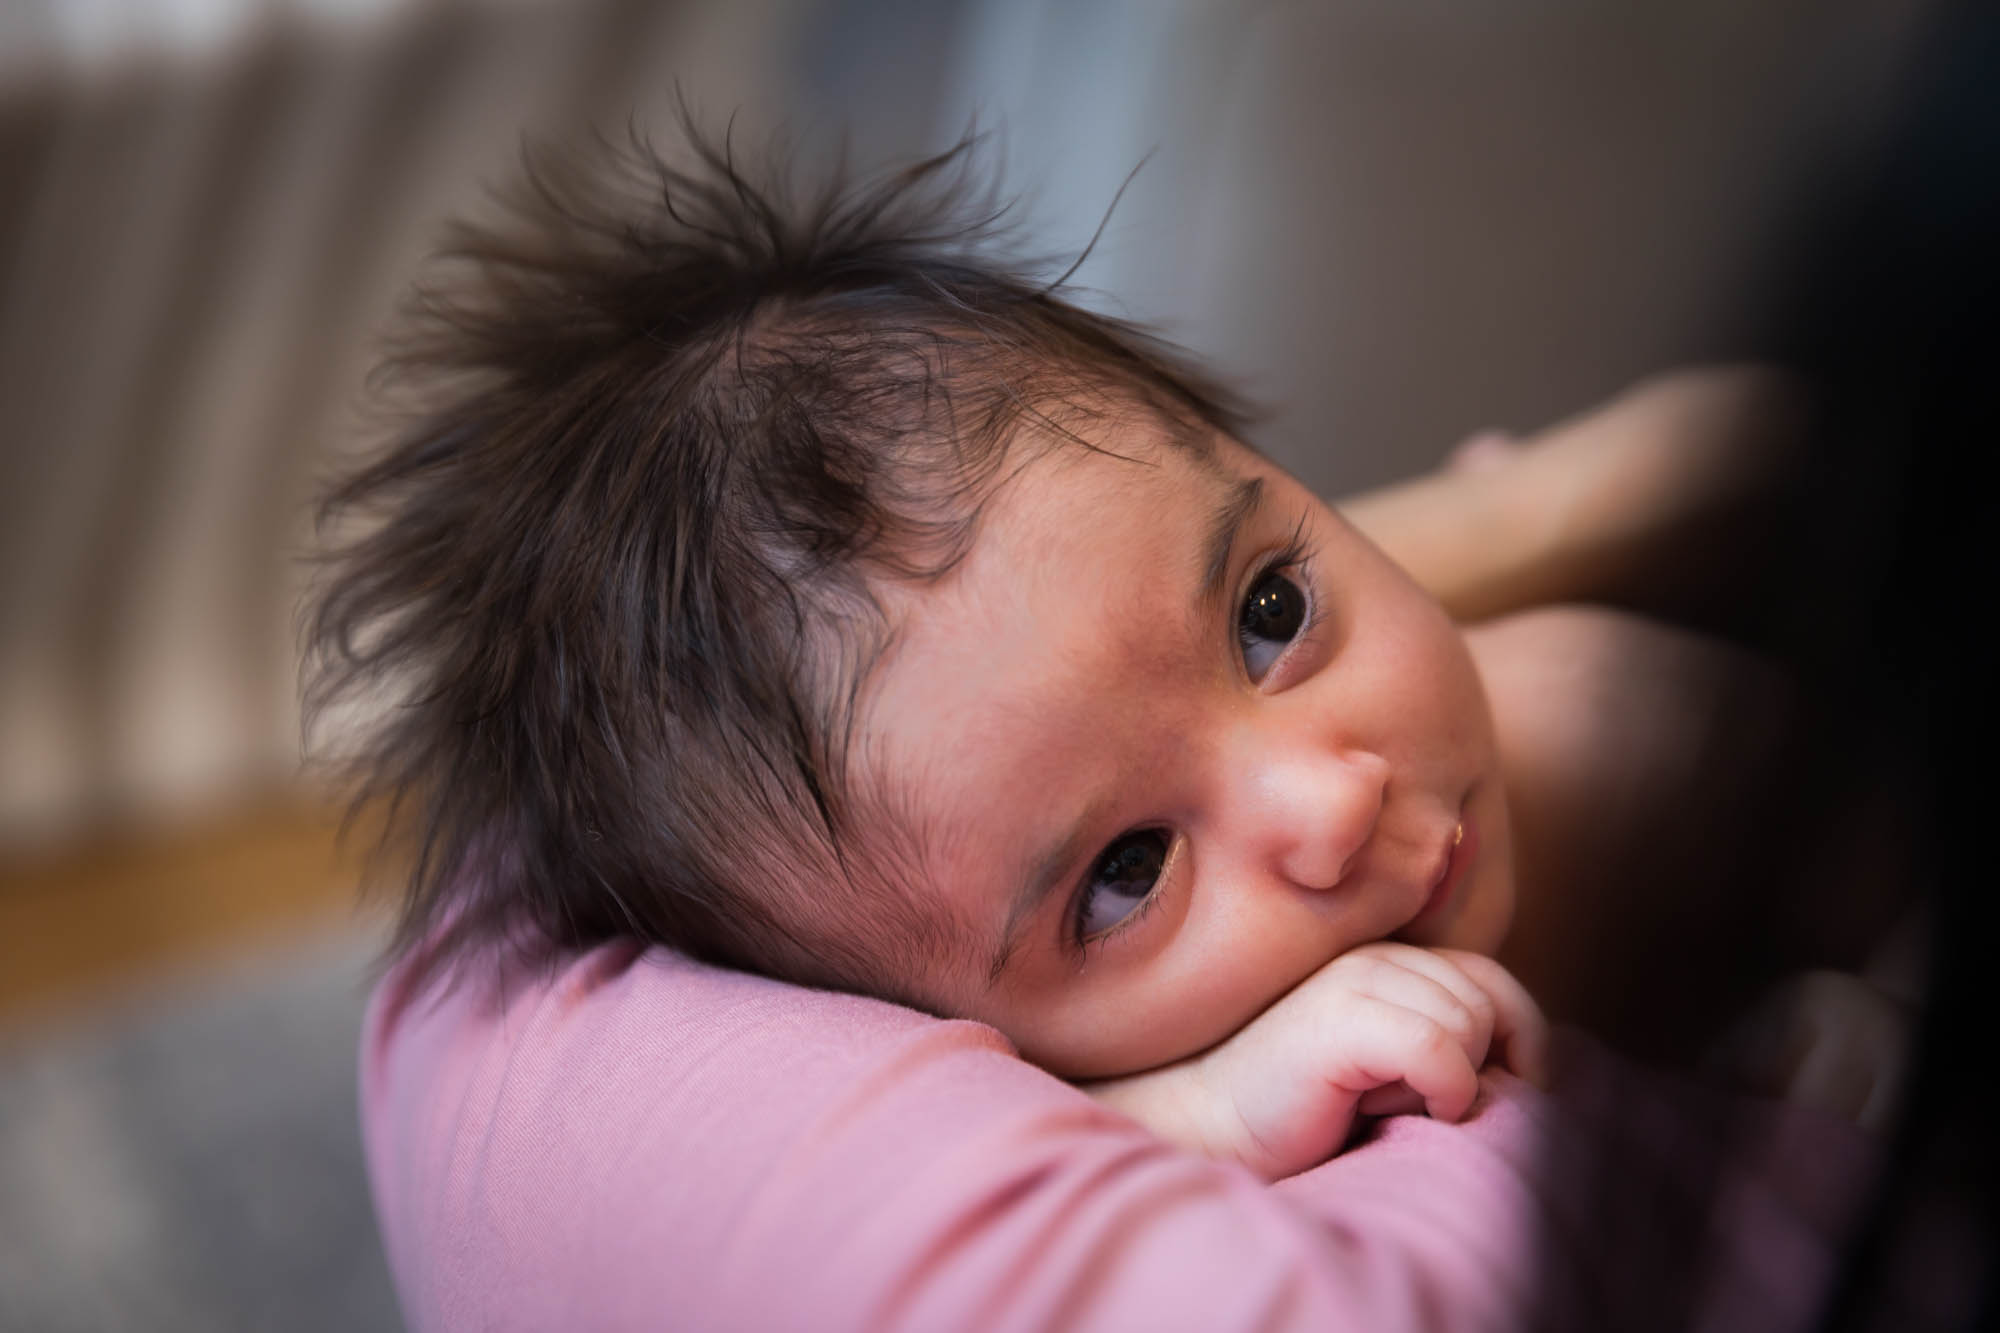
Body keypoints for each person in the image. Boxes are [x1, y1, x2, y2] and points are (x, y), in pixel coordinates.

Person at [321, 126, 1897, 1328]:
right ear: (961, 1041)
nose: (1329, 802)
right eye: (1127, 872)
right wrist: (1197, 1114)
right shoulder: (1171, 1178)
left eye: (1270, 611)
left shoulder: (1606, 721)